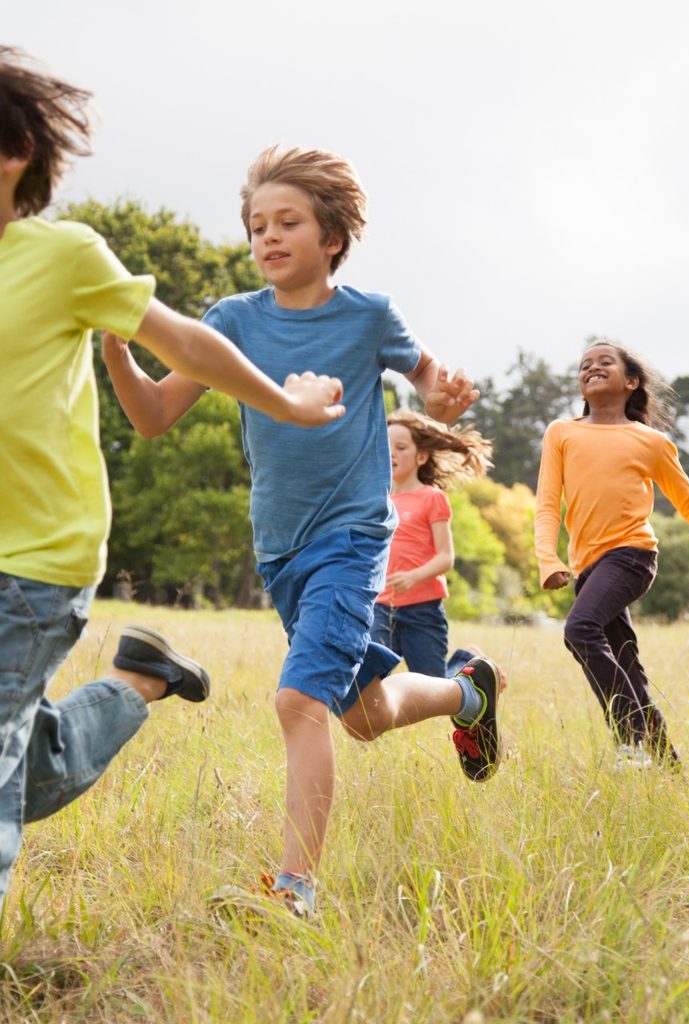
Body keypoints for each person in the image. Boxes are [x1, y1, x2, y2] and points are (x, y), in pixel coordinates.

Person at [101, 144, 504, 920]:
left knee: (297, 703)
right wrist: (118, 347)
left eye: (288, 222)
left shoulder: (367, 316)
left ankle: (294, 893)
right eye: (257, 226)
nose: (269, 237)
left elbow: (431, 383)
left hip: (352, 540)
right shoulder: (232, 321)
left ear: (332, 237)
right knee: (365, 717)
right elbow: (151, 418)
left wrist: (446, 396)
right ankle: (467, 692)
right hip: (281, 550)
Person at [0, 49, 343, 911]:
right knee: (18, 770)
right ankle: (140, 682)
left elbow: (185, 343)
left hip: (35, 559)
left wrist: (286, 405)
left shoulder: (63, 256)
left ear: (13, 153)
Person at [534, 340, 689, 768]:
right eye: (585, 365)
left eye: (604, 362)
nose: (592, 367)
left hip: (632, 556)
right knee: (627, 668)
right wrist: (548, 558)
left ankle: (630, 740)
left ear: (631, 381)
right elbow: (546, 503)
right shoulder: (562, 432)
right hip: (587, 567)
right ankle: (668, 767)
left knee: (579, 629)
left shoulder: (650, 441)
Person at [371, 409, 491, 678]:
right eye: (386, 446)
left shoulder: (431, 498)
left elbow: (446, 557)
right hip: (380, 606)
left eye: (400, 448)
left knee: (436, 686)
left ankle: (467, 659)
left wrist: (414, 576)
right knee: (370, 680)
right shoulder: (377, 500)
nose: (391, 453)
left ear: (421, 456)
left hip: (422, 609)